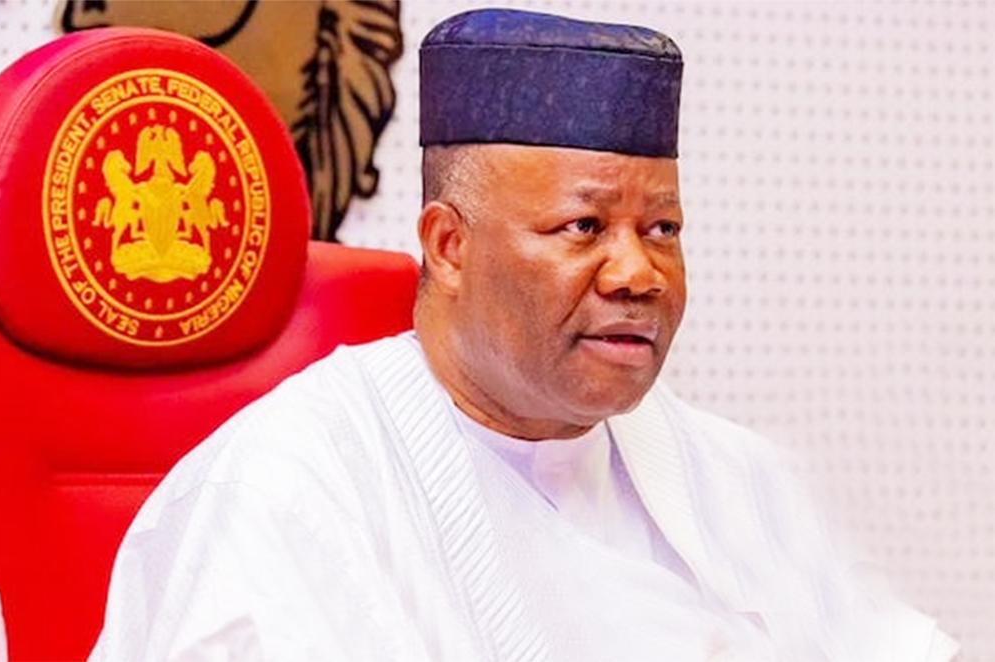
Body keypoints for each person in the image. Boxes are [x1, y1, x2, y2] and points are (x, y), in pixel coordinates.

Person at [90, 8, 958, 661]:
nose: (638, 273)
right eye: (584, 227)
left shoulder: (741, 478)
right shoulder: (287, 486)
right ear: (449, 246)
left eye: (662, 229)